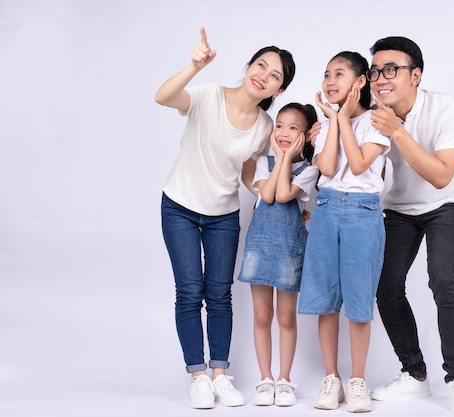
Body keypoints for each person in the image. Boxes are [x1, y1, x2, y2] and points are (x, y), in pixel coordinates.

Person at [154, 27, 295, 409]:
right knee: (189, 292)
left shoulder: (266, 127)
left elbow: (251, 170)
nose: (263, 74)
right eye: (260, 64)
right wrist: (194, 65)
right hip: (180, 206)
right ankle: (197, 375)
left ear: (277, 91)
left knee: (219, 295)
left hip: (223, 215)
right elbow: (163, 97)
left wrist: (263, 194)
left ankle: (220, 374)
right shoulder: (207, 95)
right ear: (249, 66)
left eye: (275, 75)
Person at [366, 36, 454, 413]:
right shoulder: (372, 113)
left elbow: (442, 176)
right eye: (376, 70)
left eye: (391, 69)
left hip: (446, 204)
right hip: (399, 207)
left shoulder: (447, 108)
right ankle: (414, 374)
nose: (381, 78)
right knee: (386, 286)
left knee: (444, 281)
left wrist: (397, 130)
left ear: (415, 75)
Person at [297, 51, 390, 413]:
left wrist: (342, 119)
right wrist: (334, 120)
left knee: (359, 299)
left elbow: (358, 163)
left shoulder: (379, 120)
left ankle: (358, 380)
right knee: (325, 298)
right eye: (326, 75)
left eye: (339, 74)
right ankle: (331, 377)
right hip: (326, 208)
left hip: (364, 212)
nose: (330, 81)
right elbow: (328, 167)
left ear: (361, 81)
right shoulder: (327, 125)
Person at [237, 103, 320, 407]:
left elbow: (283, 194)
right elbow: (268, 194)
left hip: (288, 249)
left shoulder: (310, 171)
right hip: (259, 245)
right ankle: (265, 379)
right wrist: (279, 158)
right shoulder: (262, 162)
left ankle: (284, 379)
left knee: (285, 316)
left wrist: (285, 159)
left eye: (293, 128)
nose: (284, 133)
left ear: (305, 137)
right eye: (280, 125)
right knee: (262, 315)